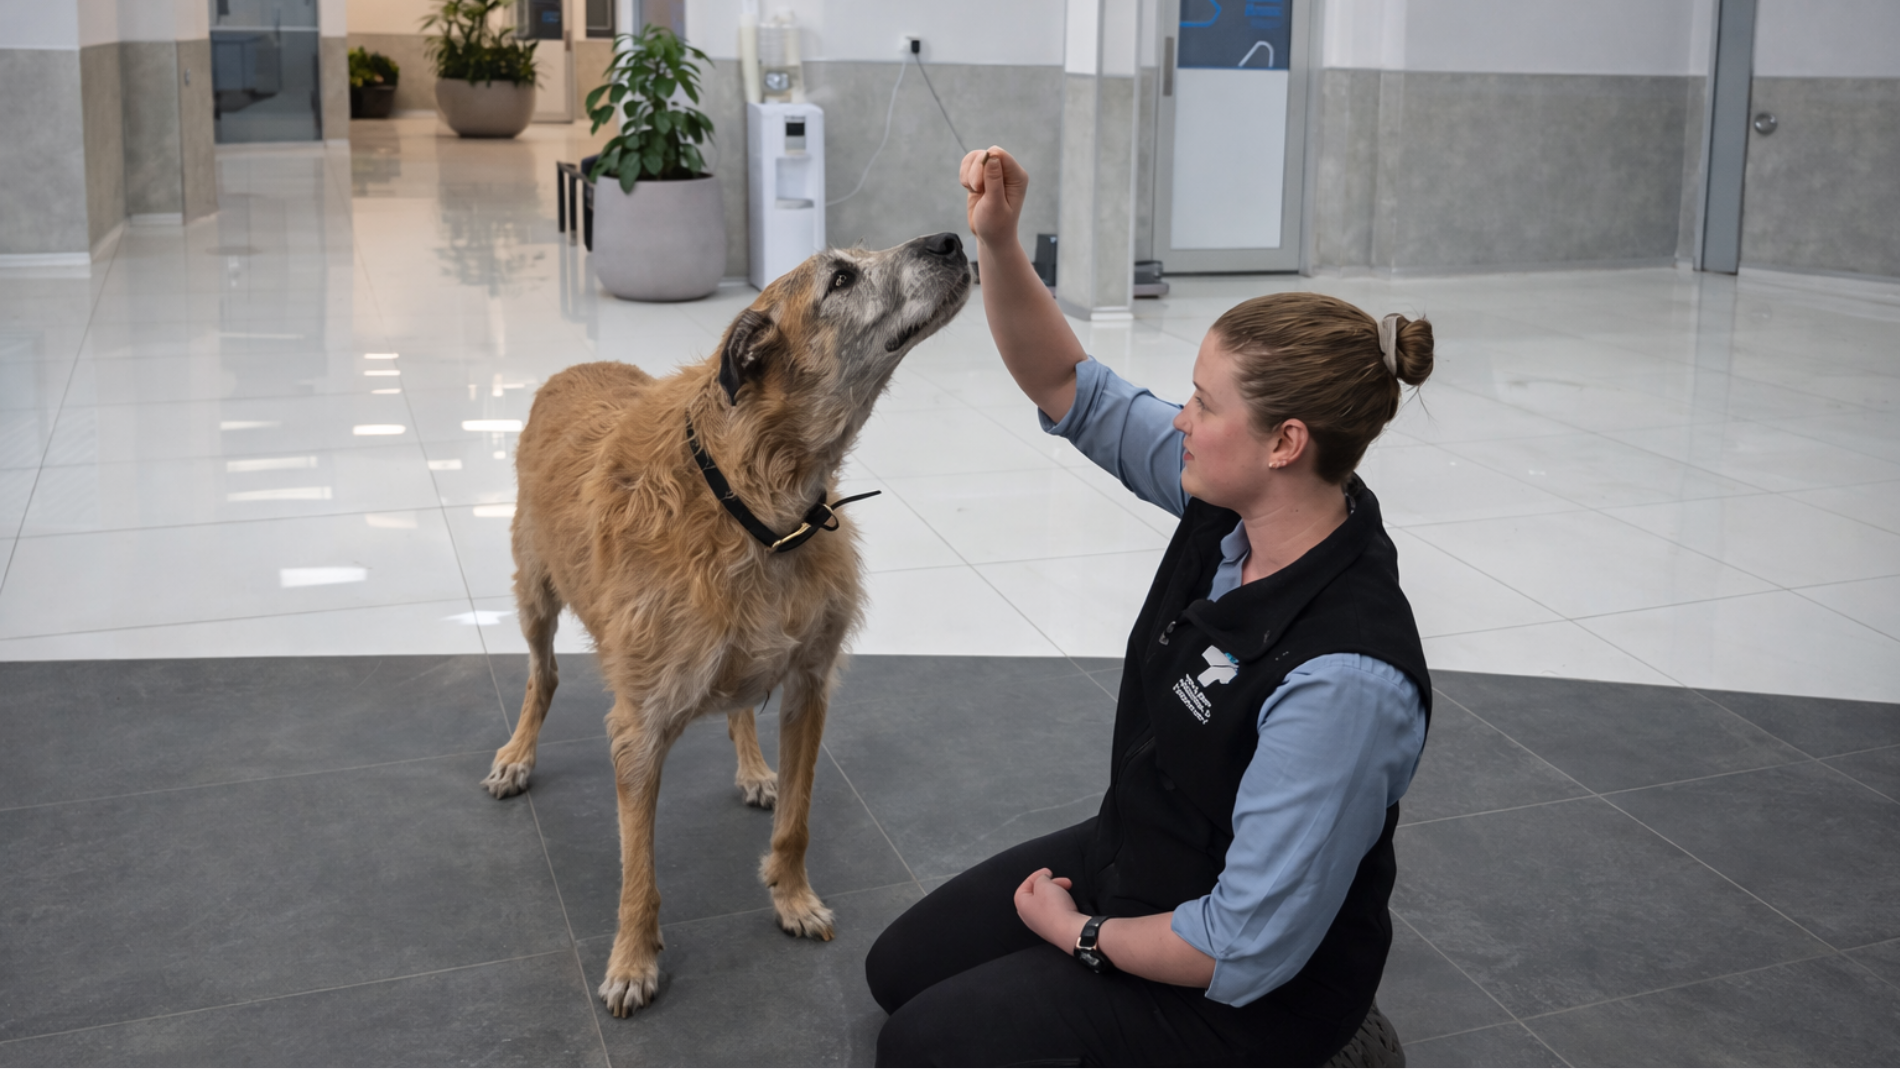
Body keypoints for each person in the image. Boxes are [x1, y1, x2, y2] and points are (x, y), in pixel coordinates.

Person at [862, 147, 1438, 1066]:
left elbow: (1236, 945)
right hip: (1145, 853)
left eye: (1204, 405)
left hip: (1247, 994)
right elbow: (1070, 389)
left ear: (1286, 441)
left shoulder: (1345, 679)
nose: (1179, 418)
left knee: (919, 1049)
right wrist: (1001, 243)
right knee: (897, 971)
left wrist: (1078, 933)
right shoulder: (1233, 502)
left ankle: (1340, 1051)